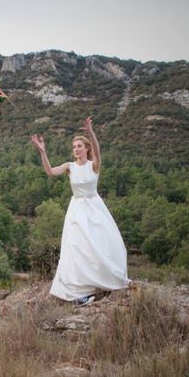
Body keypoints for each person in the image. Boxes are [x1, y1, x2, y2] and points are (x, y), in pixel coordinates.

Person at [31, 117, 129, 306]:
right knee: (76, 248)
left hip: (95, 209)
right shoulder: (70, 167)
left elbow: (98, 150)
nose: (76, 149)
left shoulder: (94, 165)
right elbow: (50, 171)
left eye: (79, 146)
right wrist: (43, 152)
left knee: (103, 244)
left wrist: (90, 132)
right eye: (74, 147)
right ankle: (78, 293)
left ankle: (103, 281)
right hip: (76, 210)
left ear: (86, 149)